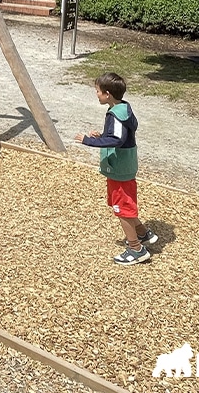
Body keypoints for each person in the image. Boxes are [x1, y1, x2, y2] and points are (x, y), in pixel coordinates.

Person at [75, 72, 157, 265]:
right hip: (123, 167)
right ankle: (144, 234)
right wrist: (101, 135)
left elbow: (117, 139)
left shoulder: (116, 115)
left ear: (107, 94)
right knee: (124, 205)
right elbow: (119, 134)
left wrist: (88, 141)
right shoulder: (123, 108)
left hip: (120, 169)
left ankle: (136, 249)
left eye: (97, 91)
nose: (96, 94)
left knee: (123, 210)